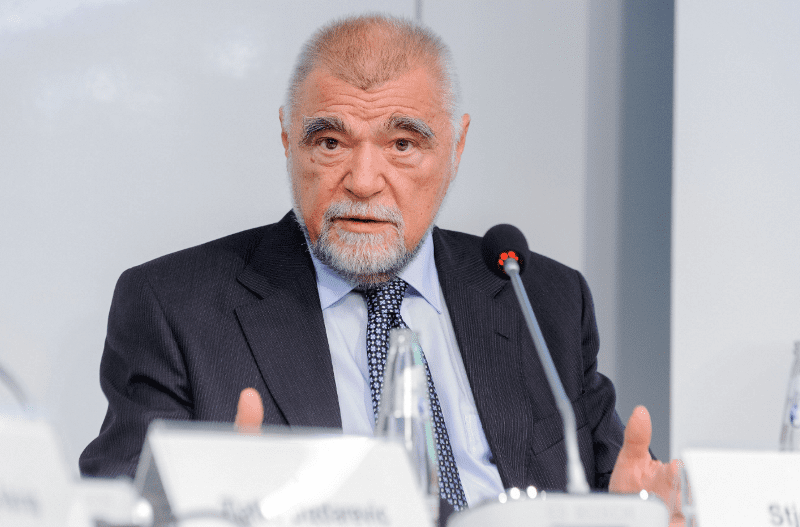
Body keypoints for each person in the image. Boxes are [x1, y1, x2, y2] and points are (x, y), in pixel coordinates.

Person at [80, 13, 681, 524]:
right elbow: (113, 512)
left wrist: (631, 513)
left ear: (456, 147)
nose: (364, 182)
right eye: (331, 143)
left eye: (403, 144)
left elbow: (608, 489)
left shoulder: (540, 298)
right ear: (288, 139)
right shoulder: (177, 307)